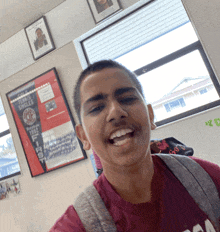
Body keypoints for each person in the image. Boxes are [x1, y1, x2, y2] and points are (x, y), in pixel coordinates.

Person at [50, 60, 220, 231]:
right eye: (96, 108)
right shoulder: (77, 225)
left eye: (128, 98)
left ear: (150, 115)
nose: (116, 112)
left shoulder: (206, 180)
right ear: (83, 136)